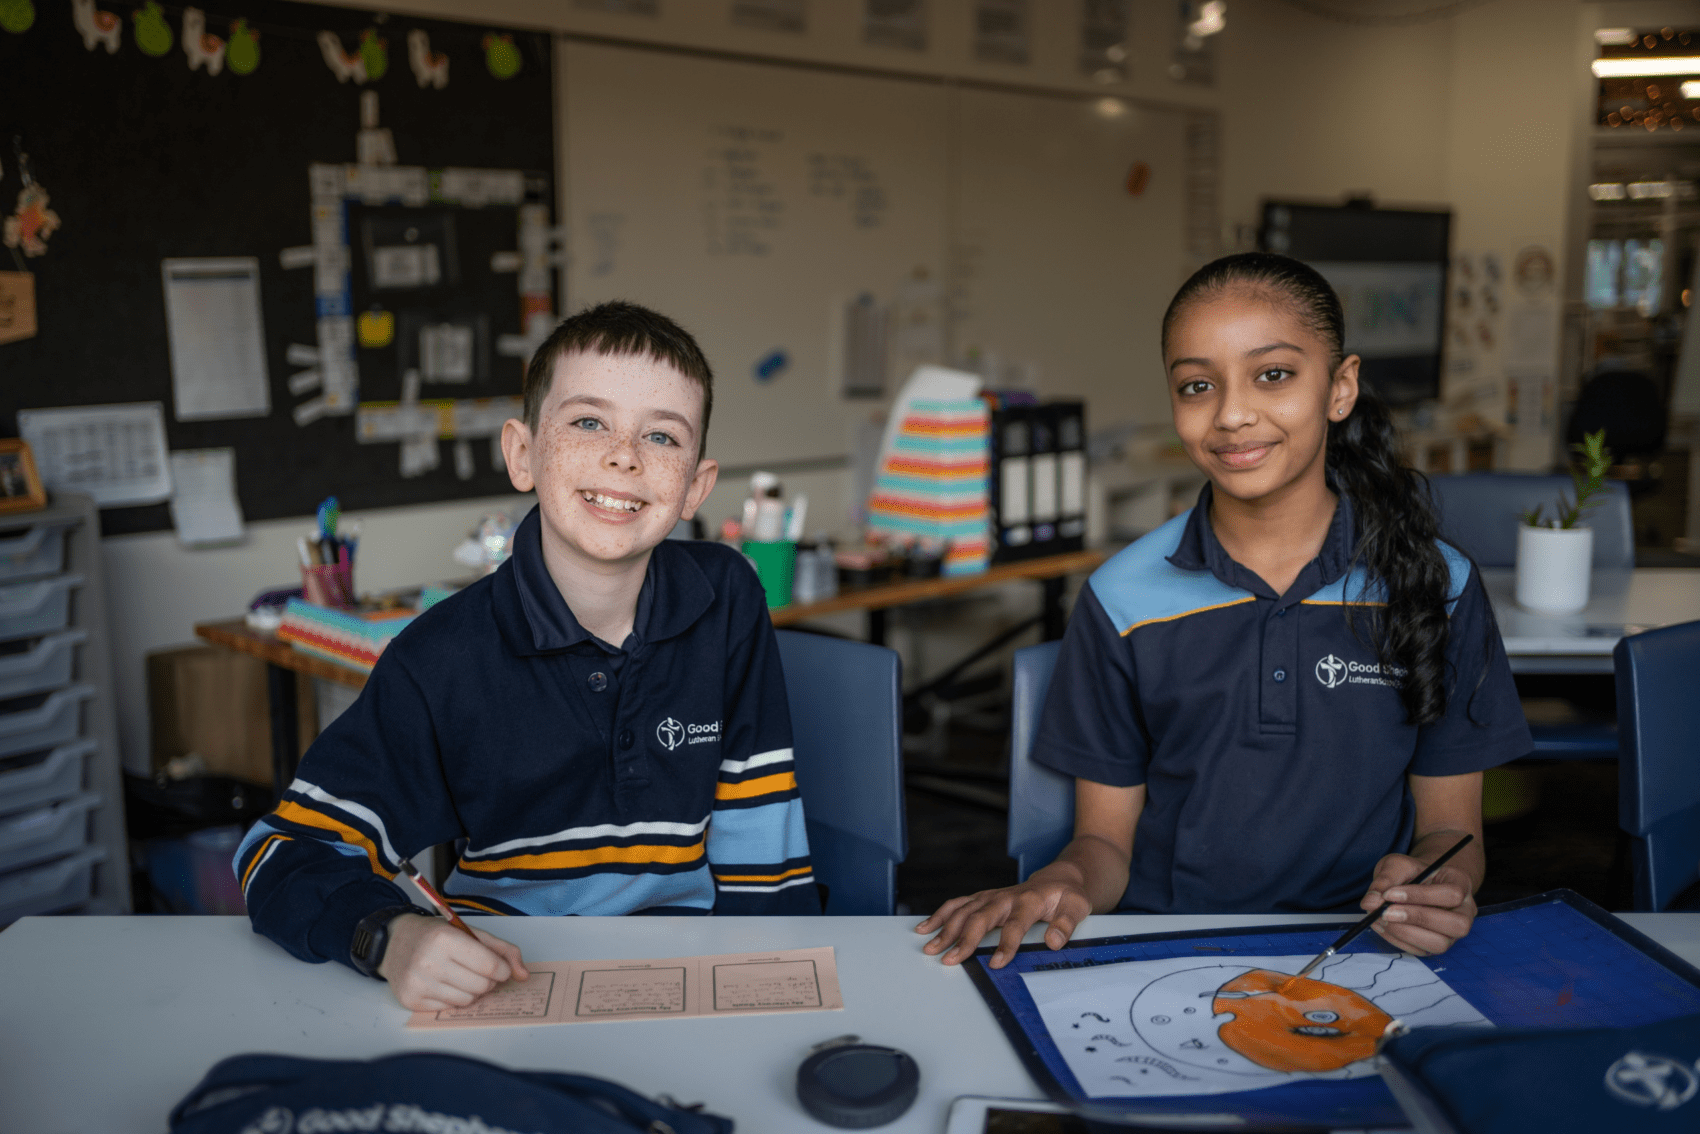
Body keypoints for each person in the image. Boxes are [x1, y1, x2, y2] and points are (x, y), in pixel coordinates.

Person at [919, 253, 1531, 969]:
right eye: (1197, 385)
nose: (1233, 414)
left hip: (1362, 952)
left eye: (1273, 374)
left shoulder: (1439, 582)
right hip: (1165, 950)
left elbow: (1453, 834)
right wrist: (1065, 881)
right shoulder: (1122, 597)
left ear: (1340, 388)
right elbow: (1105, 844)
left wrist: (1441, 885)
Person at [236, 301, 818, 1011]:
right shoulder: (442, 657)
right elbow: (278, 853)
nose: (624, 454)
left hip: (692, 973)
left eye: (662, 436)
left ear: (694, 485)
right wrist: (389, 937)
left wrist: (773, 985)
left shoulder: (725, 597)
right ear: (522, 454)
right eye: (588, 421)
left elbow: (759, 825)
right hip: (506, 981)